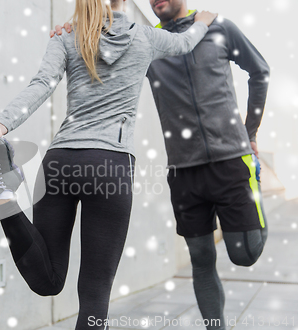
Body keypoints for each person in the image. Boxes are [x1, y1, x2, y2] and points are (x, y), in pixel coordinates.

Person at [0, 0, 217, 328]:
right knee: (94, 292)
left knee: (47, 280)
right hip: (111, 165)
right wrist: (202, 21)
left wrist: (1, 124)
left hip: (61, 163)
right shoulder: (146, 37)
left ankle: (3, 196)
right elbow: (186, 43)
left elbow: (41, 85)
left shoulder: (66, 35)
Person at [50, 1, 269, 329]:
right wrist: (73, 26)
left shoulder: (219, 27)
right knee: (201, 260)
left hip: (231, 160)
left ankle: (255, 182)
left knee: (244, 254)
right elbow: (102, 52)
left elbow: (260, 71)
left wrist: (250, 134)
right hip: (183, 170)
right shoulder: (145, 40)